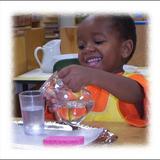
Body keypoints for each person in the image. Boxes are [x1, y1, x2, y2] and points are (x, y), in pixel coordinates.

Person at [45, 14, 148, 127]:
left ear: (125, 49)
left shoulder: (133, 82)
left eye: (98, 41)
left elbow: (136, 94)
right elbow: (65, 123)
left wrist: (91, 76)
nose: (87, 49)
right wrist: (56, 105)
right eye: (81, 46)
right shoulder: (77, 89)